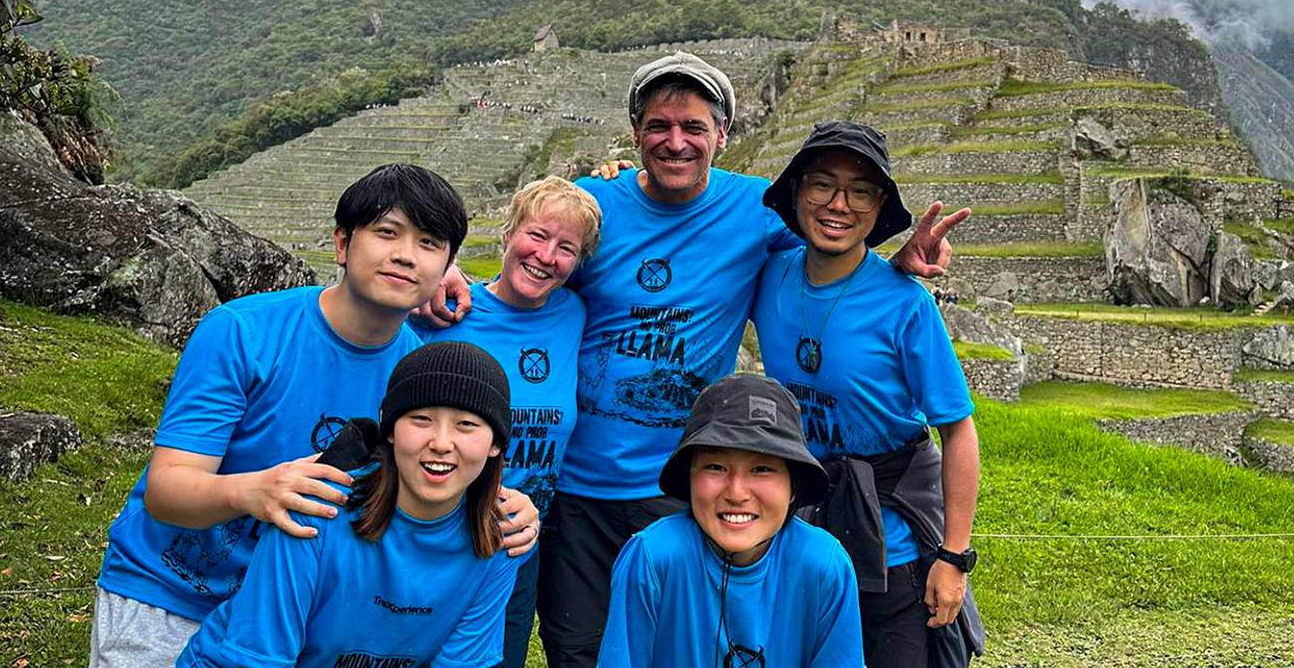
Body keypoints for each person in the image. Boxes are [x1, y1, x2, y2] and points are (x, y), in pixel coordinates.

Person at [419, 53, 967, 668]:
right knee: (579, 650)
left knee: (687, 648)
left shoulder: (759, 210)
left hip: (683, 488)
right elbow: (531, 251)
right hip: (577, 493)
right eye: (659, 125)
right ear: (635, 131)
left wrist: (895, 266)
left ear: (722, 134)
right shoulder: (596, 201)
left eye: (694, 127)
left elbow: (835, 244)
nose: (675, 142)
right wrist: (446, 271)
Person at [89, 164, 538, 668]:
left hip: (308, 611)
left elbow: (429, 473)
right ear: (342, 244)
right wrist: (254, 491)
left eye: (429, 243)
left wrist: (506, 505)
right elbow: (167, 492)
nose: (405, 255)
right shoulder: (243, 333)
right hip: (171, 593)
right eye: (387, 232)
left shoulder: (416, 378)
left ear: (448, 266)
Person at [752, 121, 984, 667]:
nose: (839, 205)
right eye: (822, 184)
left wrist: (954, 557)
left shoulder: (905, 304)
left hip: (892, 549)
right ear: (796, 192)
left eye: (860, 192)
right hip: (798, 532)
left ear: (879, 209)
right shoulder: (768, 276)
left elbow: (957, 430)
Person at [175, 341, 520, 668]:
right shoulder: (315, 509)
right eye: (421, 419)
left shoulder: (504, 537)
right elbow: (259, 658)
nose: (441, 443)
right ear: (390, 428)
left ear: (496, 444)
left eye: (466, 425)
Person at [413, 176, 601, 668]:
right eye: (536, 235)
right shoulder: (443, 312)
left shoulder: (575, 313)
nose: (546, 256)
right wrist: (438, 271)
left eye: (566, 248)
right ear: (507, 233)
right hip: (436, 539)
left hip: (516, 544)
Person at [599, 374, 864, 668]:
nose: (737, 493)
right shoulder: (653, 557)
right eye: (716, 467)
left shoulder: (824, 565)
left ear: (793, 487)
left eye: (761, 469)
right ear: (690, 478)